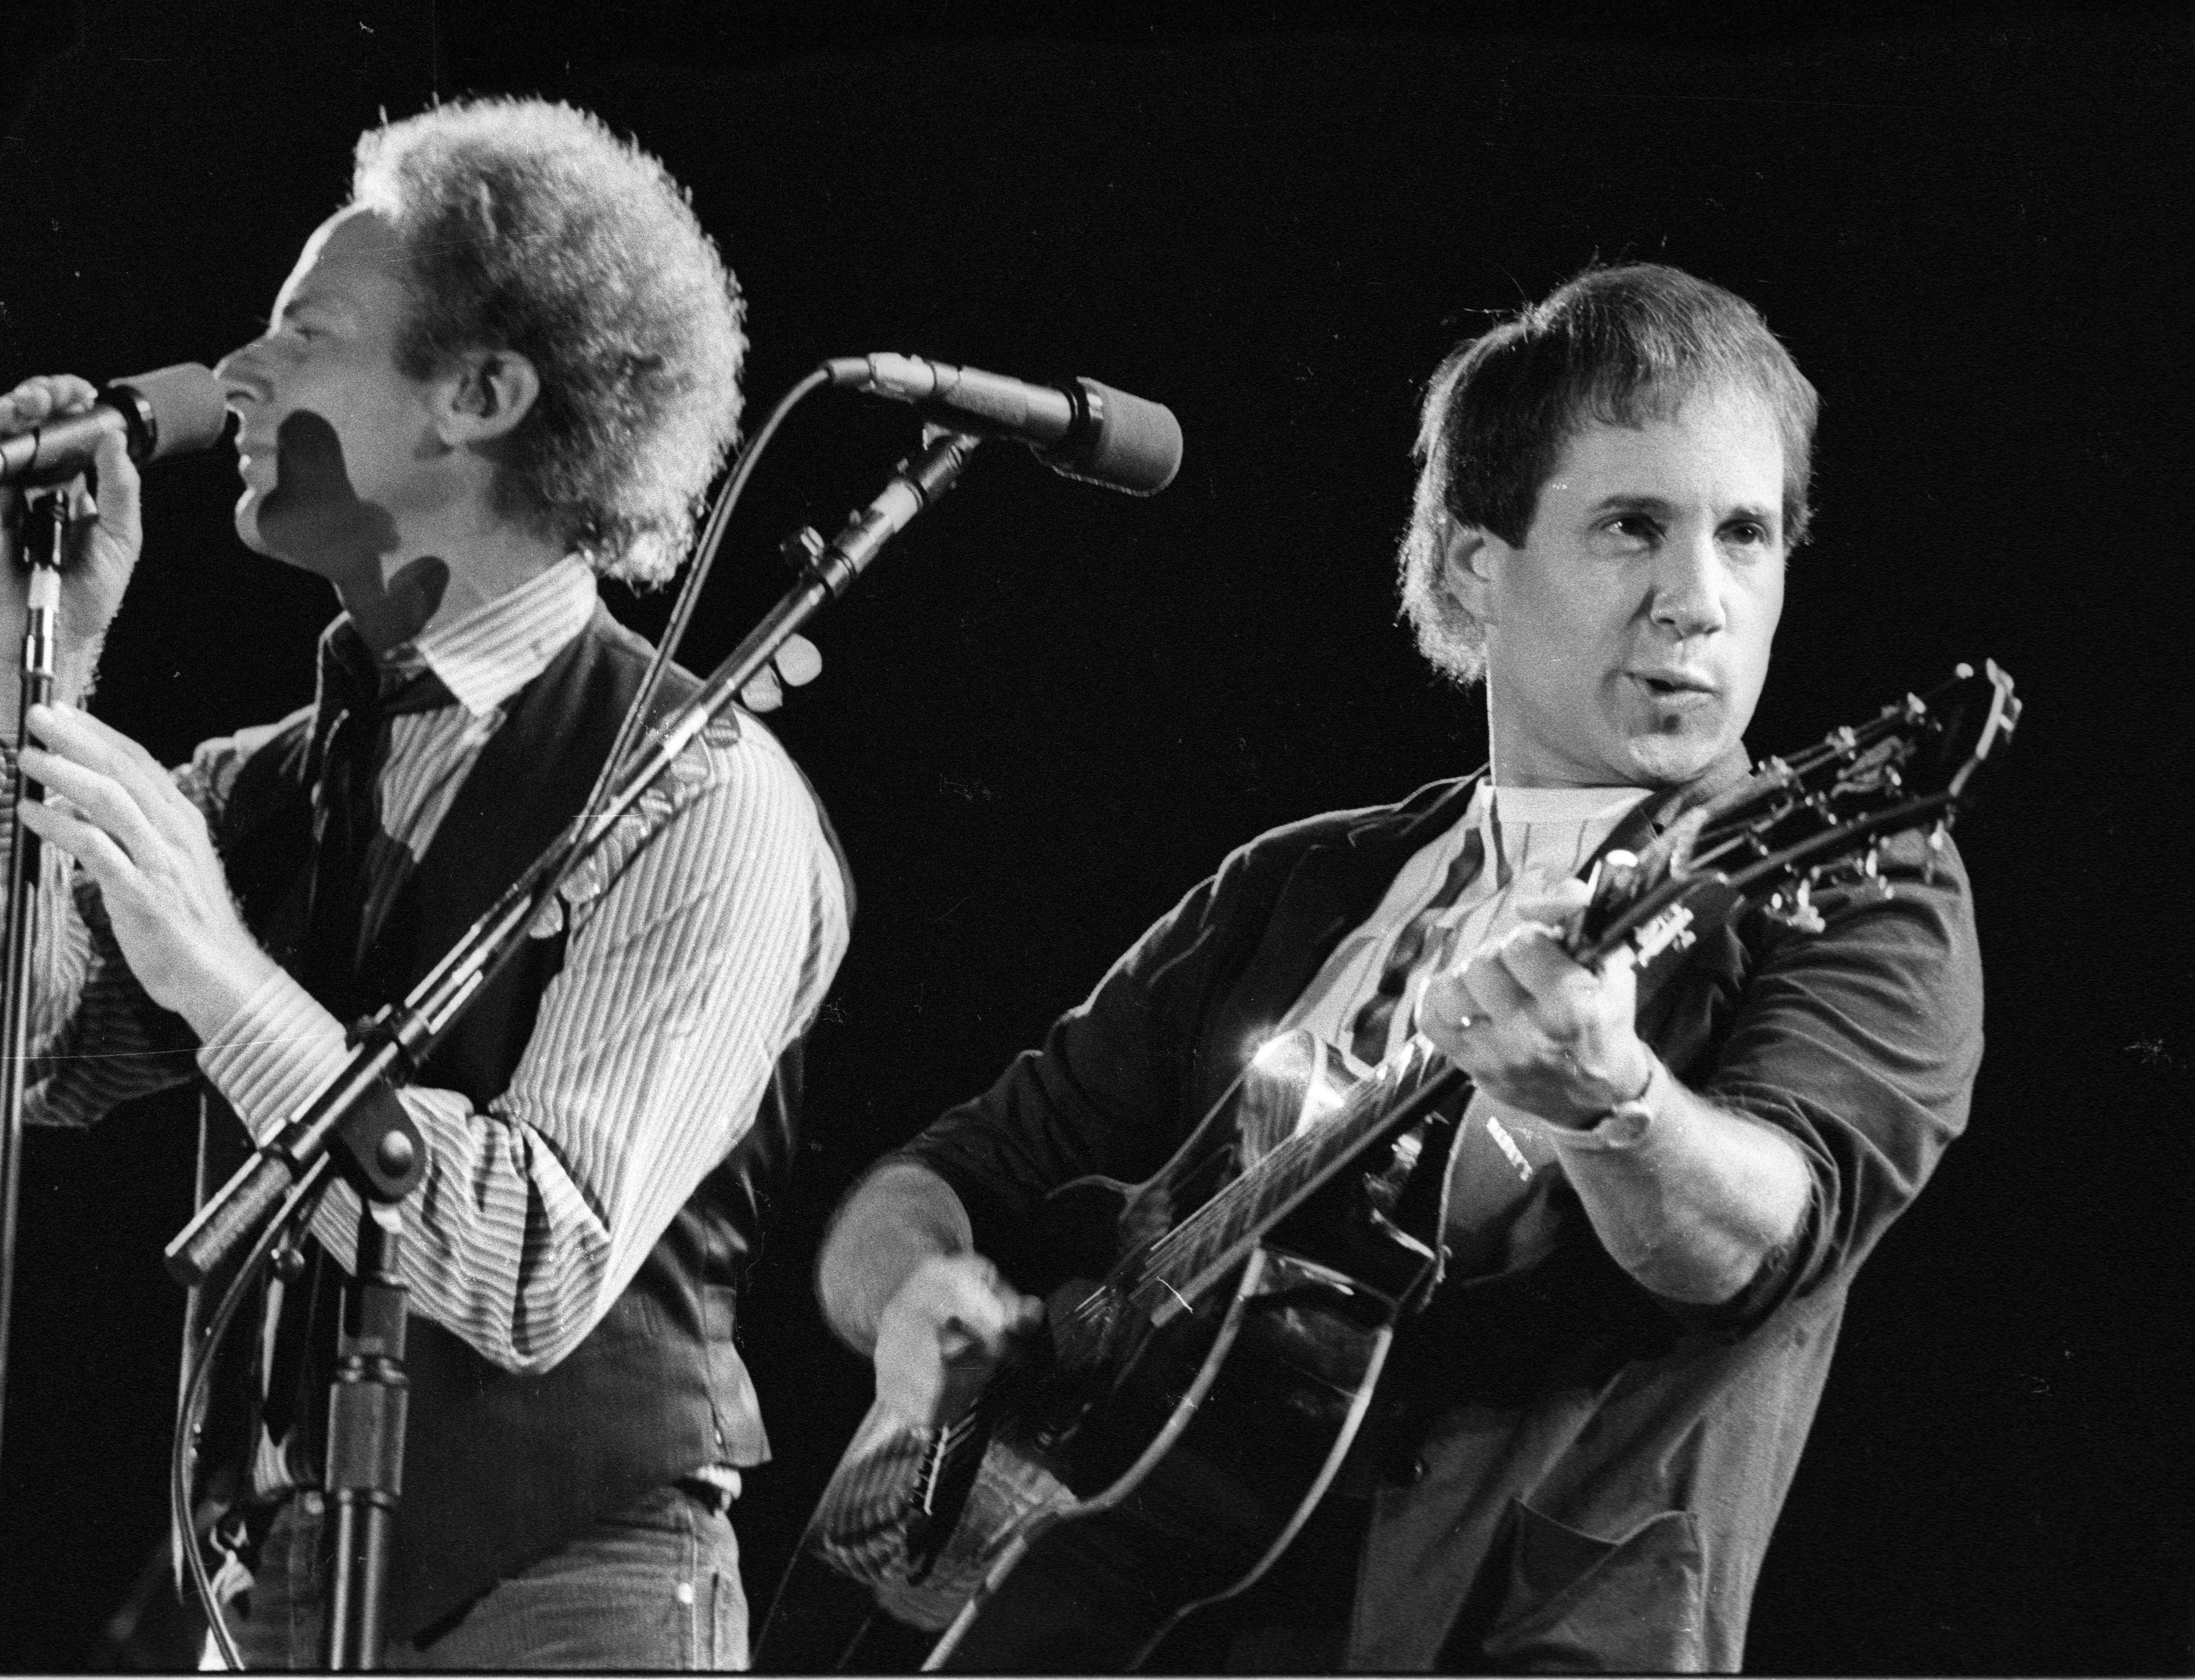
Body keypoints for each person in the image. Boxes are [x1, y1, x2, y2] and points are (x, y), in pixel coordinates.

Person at [813, 263, 1983, 1671]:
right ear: (1477, 565)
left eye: (1747, 534)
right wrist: (915, 1298)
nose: (1700, 600)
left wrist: (1613, 1100)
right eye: (1632, 527)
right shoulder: (1300, 881)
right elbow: (933, 1183)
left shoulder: (1855, 883)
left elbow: (1765, 1236)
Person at [0, 97, 851, 1669]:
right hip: (274, 1603)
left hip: (566, 1614)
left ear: (481, 393)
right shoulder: (267, 785)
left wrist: (219, 970)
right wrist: (22, 659)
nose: (238, 375)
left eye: (302, 334)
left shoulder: (700, 790)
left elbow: (536, 1265)